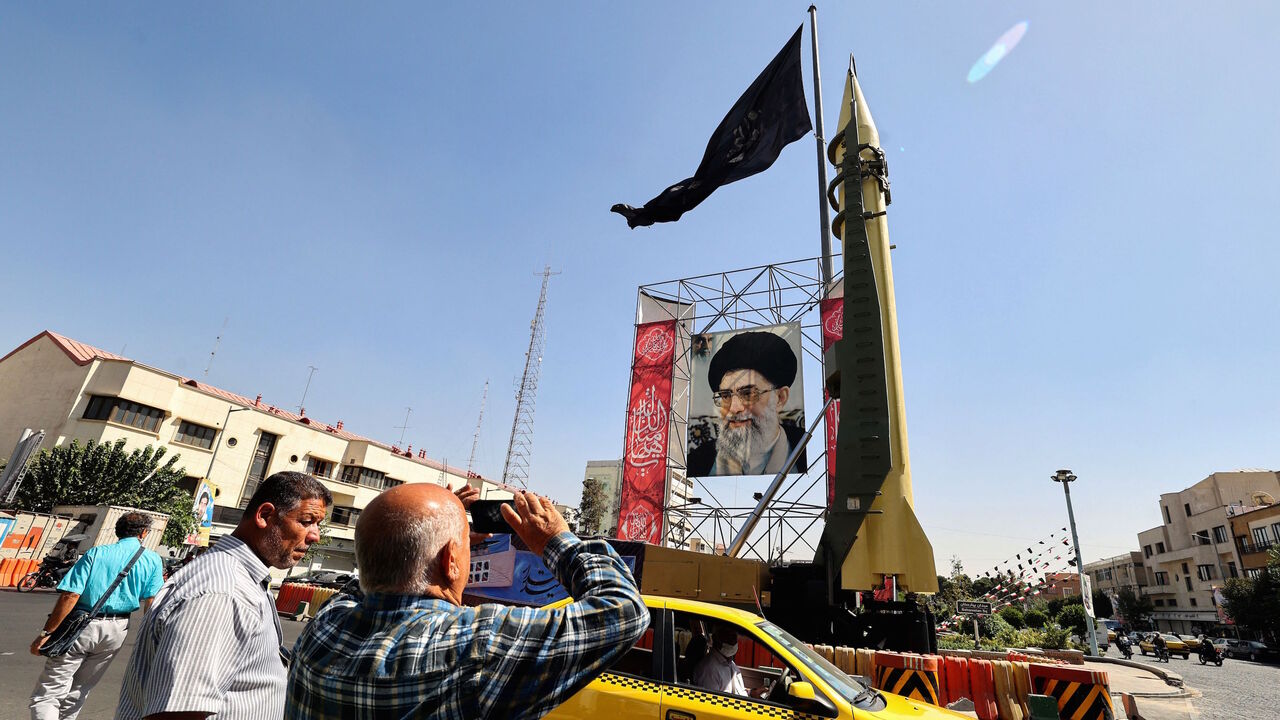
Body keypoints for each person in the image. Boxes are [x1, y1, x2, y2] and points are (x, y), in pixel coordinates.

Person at [286, 483, 649, 719]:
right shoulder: (479, 643)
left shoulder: (323, 629)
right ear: (451, 562)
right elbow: (624, 609)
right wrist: (556, 541)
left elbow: (370, 577)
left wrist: (442, 523)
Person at [116, 471, 332, 720]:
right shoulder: (224, 590)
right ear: (265, 515)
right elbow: (178, 712)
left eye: (318, 525)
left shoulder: (243, 580)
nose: (315, 535)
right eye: (306, 521)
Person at [28, 512, 163, 720]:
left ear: (118, 531)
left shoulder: (96, 554)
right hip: (118, 630)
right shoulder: (153, 560)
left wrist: (47, 632)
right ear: (144, 533)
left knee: (49, 694)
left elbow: (71, 595)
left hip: (81, 627)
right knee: (79, 692)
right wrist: (148, 639)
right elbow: (153, 602)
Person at [686, 330, 806, 476]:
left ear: (780, 398)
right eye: (725, 396)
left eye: (748, 394)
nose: (734, 408)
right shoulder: (696, 461)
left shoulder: (805, 448)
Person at [693, 623, 754, 697]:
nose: (733, 641)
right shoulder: (709, 669)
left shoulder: (729, 663)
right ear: (716, 638)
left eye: (734, 637)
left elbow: (737, 691)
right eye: (728, 636)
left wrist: (752, 693)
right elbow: (711, 703)